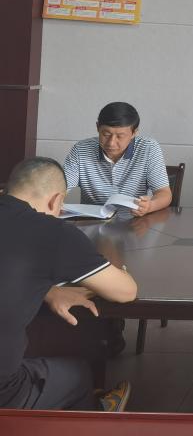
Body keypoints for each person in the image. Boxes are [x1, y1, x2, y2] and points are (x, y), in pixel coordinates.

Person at [0, 157, 137, 411]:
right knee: (78, 374)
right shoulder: (52, 231)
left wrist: (47, 290)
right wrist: (122, 270)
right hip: (5, 393)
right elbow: (125, 291)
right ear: (56, 201)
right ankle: (96, 413)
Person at [63, 101, 171, 217]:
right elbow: (60, 188)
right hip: (91, 221)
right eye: (106, 134)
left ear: (134, 133)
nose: (111, 143)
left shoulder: (148, 148)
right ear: (97, 127)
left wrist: (150, 206)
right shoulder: (81, 149)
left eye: (120, 136)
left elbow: (164, 193)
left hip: (134, 221)